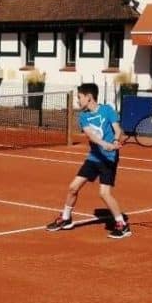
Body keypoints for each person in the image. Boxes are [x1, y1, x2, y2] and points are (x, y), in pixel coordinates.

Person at [47, 83, 131, 239]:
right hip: (94, 157)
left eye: (79, 97)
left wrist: (114, 140)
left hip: (108, 160)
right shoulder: (83, 116)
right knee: (73, 187)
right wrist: (105, 144)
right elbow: (91, 135)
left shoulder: (108, 110)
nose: (78, 101)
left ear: (89, 97)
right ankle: (66, 218)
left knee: (104, 193)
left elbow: (117, 129)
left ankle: (122, 224)